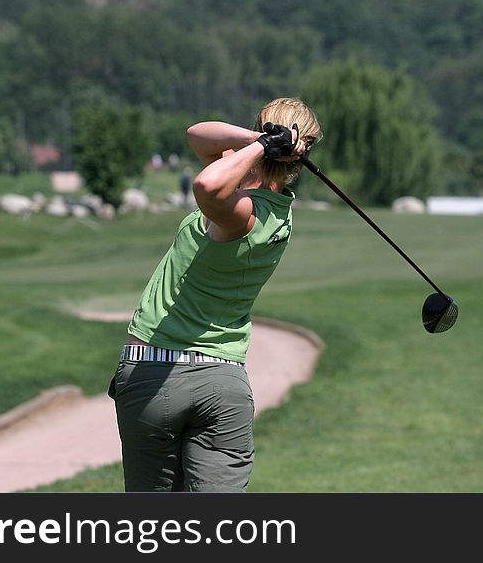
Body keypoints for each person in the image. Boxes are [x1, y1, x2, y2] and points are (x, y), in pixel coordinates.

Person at [108, 97, 322, 492]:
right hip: (224, 383)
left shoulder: (245, 213)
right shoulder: (274, 209)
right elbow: (198, 136)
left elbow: (206, 186)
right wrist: (257, 139)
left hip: (155, 373)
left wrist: (256, 145)